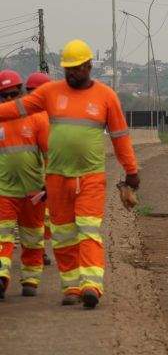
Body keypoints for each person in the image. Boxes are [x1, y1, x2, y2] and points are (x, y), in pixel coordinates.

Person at [0, 39, 140, 309]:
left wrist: (131, 171)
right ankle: (71, 287)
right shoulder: (50, 92)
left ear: (89, 66)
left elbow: (120, 136)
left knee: (88, 231)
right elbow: (17, 109)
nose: (71, 73)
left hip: (90, 177)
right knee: (63, 236)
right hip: (56, 178)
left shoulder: (106, 96)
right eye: (67, 69)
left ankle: (91, 286)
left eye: (76, 68)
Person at [0, 70, 49, 299]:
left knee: (32, 237)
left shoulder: (37, 118)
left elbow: (51, 154)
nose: (10, 99)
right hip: (4, 191)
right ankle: (1, 277)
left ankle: (30, 278)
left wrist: (51, 183)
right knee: (2, 236)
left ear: (21, 92)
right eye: (4, 95)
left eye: (13, 93)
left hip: (33, 192)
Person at [25, 72, 52, 267]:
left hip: (33, 176)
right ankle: (37, 253)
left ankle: (38, 251)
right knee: (38, 220)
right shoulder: (44, 117)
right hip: (38, 177)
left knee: (40, 219)